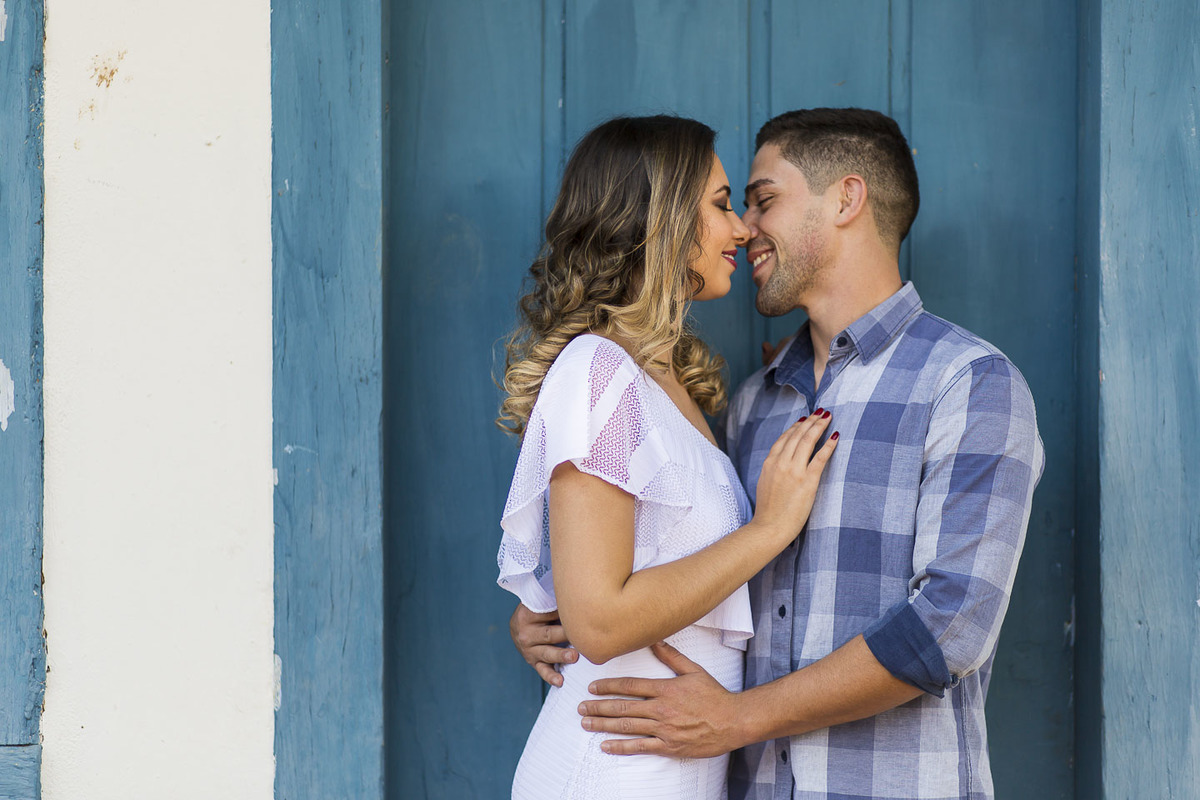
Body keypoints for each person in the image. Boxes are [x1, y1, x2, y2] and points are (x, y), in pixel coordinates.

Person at [511, 108, 1045, 800]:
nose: (745, 227)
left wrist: (738, 719)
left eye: (762, 201)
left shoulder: (967, 384)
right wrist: (551, 610)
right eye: (731, 204)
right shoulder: (754, 404)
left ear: (847, 199)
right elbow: (647, 567)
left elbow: (951, 627)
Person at [496, 115, 841, 800]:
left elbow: (622, 576)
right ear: (659, 220)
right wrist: (767, 531)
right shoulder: (599, 370)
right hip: (611, 773)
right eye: (719, 205)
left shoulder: (661, 381)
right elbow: (599, 621)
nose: (742, 229)